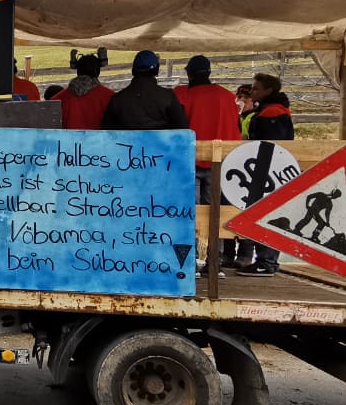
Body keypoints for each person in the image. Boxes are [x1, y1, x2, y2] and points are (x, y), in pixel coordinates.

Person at [175, 55, 242, 271]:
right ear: (209, 73)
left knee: (189, 212)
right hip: (219, 162)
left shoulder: (182, 95)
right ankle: (215, 261)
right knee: (215, 212)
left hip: (189, 162)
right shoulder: (227, 96)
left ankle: (190, 261)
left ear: (189, 73)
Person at [238, 73, 296, 276]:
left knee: (265, 213)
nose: (252, 91)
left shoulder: (272, 113)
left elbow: (270, 145)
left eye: (256, 88)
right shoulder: (270, 110)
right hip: (267, 169)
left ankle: (266, 261)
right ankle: (267, 260)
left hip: (267, 170)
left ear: (268, 90)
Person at [101, 50, 188, 131]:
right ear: (156, 70)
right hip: (159, 143)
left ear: (133, 71)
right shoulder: (168, 97)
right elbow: (182, 130)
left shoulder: (117, 100)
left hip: (126, 143)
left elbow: (106, 132)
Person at [55, 52, 114, 130]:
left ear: (78, 71)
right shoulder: (111, 97)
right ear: (98, 71)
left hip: (69, 138)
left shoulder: (58, 99)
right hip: (101, 138)